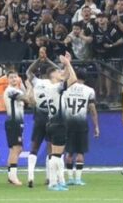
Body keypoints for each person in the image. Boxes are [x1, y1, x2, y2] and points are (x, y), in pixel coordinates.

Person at [39, 54, 77, 191]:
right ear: (53, 76)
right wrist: (67, 64)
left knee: (56, 155)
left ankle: (59, 181)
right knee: (56, 155)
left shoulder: (50, 87)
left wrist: (67, 64)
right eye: (58, 72)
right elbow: (73, 79)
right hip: (59, 122)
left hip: (51, 122)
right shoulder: (56, 88)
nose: (61, 73)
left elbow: (66, 76)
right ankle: (53, 183)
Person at [62, 76, 98, 186]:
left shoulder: (65, 89)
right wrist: (96, 126)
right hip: (81, 124)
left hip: (67, 123)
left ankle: (70, 178)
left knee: (69, 152)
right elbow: (92, 109)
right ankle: (78, 179)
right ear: (85, 78)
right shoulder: (89, 90)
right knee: (80, 152)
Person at [23, 56, 51, 188]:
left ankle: (30, 176)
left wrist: (38, 60)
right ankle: (49, 177)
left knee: (34, 147)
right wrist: (48, 60)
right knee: (52, 149)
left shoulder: (37, 83)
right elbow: (62, 72)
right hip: (52, 119)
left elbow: (28, 71)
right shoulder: (55, 83)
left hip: (39, 118)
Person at [2, 71, 29, 186]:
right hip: (13, 122)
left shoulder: (17, 90)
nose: (13, 79)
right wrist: (29, 86)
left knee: (15, 149)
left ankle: (10, 176)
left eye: (15, 77)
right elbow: (27, 99)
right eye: (11, 77)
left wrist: (23, 85)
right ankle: (13, 177)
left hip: (16, 122)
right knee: (16, 149)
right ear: (7, 79)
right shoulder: (10, 90)